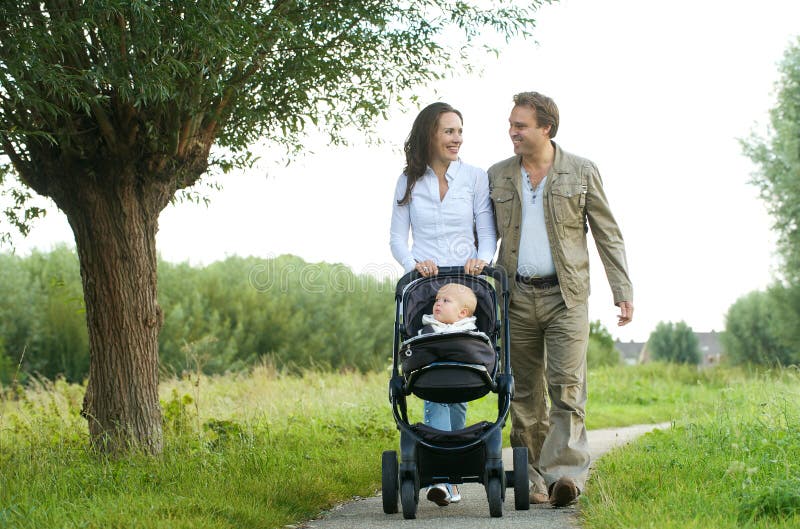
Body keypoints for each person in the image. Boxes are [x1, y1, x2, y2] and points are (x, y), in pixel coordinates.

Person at [488, 92, 633, 507]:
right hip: (516, 298)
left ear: (545, 128)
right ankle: (533, 477)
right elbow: (480, 235)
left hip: (567, 297)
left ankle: (565, 476)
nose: (512, 131)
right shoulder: (498, 175)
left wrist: (621, 290)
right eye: (511, 124)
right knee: (524, 395)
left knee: (567, 388)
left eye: (520, 125)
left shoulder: (581, 172)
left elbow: (608, 233)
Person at [390, 102, 497, 507]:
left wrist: (482, 259)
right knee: (434, 366)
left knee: (459, 366)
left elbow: (486, 231)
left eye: (460, 131)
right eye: (449, 131)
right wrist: (412, 264)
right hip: (426, 287)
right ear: (429, 134)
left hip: (466, 283)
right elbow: (398, 237)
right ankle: (448, 476)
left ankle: (447, 474)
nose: (457, 138)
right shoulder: (408, 180)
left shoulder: (474, 177)